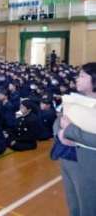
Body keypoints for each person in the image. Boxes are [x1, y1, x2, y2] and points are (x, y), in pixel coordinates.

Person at [57, 62, 96, 216]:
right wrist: (60, 134)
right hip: (69, 160)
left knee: (88, 207)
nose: (77, 79)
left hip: (89, 165)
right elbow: (59, 120)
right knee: (74, 205)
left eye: (82, 76)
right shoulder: (75, 100)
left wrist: (70, 131)